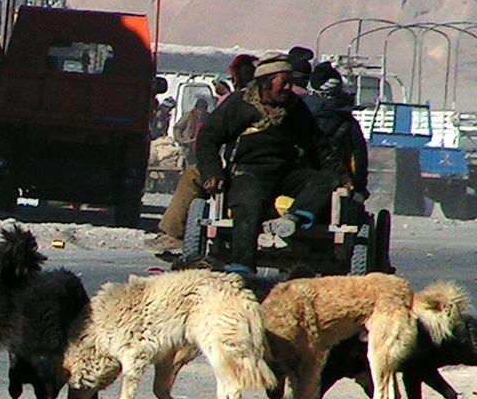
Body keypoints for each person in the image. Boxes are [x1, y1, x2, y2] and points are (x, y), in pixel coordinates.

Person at [195, 53, 347, 273]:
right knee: (248, 206)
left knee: (326, 180)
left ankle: (293, 219)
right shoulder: (239, 104)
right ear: (266, 82)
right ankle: (242, 270)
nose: (288, 87)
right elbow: (208, 138)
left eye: (290, 82)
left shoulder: (295, 107)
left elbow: (318, 146)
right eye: (283, 82)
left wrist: (342, 178)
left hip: (286, 172)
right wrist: (212, 172)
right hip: (248, 172)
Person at [148, 53, 258, 254]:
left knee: (192, 174)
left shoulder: (238, 101)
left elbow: (208, 137)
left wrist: (212, 172)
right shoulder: (298, 103)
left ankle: (172, 233)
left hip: (244, 174)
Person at [304, 61, 369, 198]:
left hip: (299, 179)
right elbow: (358, 158)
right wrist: (359, 187)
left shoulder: (298, 112)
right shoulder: (347, 122)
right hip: (338, 182)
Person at [173, 96, 209, 164]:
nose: (201, 112)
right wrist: (181, 140)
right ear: (195, 109)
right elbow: (177, 128)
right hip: (189, 147)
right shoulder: (188, 115)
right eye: (199, 110)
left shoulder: (208, 118)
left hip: (201, 148)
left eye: (203, 110)